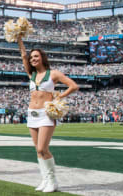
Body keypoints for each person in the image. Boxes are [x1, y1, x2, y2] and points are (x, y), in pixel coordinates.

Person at [18, 36, 79, 193]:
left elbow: (73, 86)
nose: (33, 59)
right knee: (37, 150)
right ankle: (45, 180)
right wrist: (19, 38)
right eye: (31, 57)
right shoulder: (31, 74)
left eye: (36, 56)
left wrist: (60, 96)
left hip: (46, 114)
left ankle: (53, 180)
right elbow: (22, 54)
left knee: (42, 148)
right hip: (32, 114)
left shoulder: (53, 74)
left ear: (43, 57)